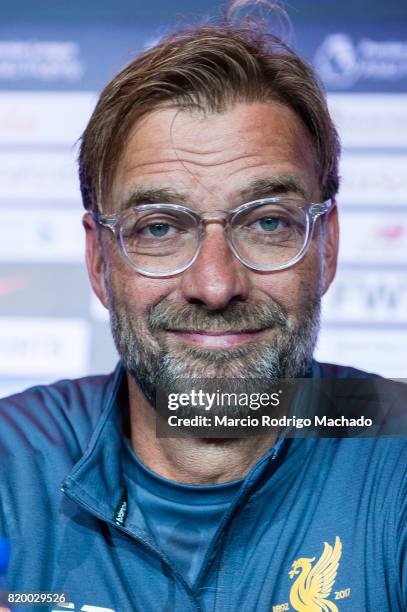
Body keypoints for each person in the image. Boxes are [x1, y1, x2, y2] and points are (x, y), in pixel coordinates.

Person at [0, 3, 405, 611]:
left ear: (327, 243)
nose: (215, 285)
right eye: (160, 229)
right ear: (98, 260)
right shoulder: (11, 461)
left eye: (268, 221)